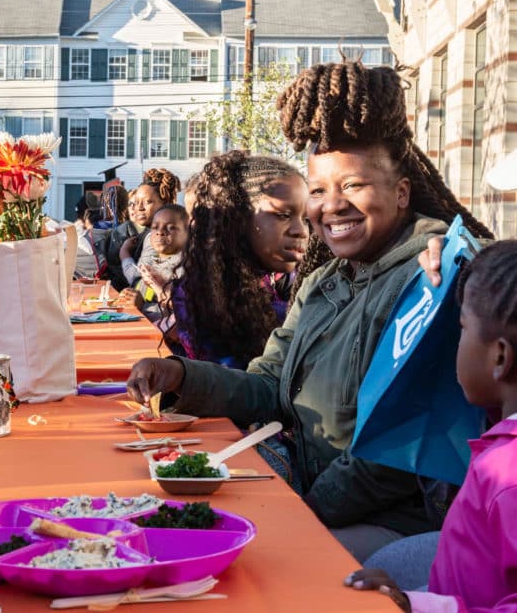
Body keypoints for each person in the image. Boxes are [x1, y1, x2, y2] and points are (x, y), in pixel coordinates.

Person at [126, 61, 494, 562]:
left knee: (247, 564)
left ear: (401, 191)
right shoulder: (323, 282)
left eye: (354, 186)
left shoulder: (435, 274)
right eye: (318, 190)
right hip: (300, 480)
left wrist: (299, 507)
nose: (330, 206)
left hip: (385, 523)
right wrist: (179, 376)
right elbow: (269, 386)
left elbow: (391, 454)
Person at [346, 240, 517, 612]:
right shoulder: (501, 438)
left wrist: (421, 608)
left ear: (500, 357)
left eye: (461, 327)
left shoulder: (509, 477)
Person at [164, 152, 308, 367]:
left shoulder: (300, 281)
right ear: (237, 217)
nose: (301, 231)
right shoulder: (204, 293)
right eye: (283, 215)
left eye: (306, 218)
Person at [104, 168, 179, 290]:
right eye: (136, 202)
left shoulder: (159, 236)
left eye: (147, 202)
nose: (139, 208)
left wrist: (125, 253)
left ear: (165, 202)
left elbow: (139, 280)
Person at [130, 205, 188, 322]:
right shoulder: (152, 264)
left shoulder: (183, 269)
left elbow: (177, 318)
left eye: (171, 228)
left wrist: (142, 307)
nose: (160, 232)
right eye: (155, 227)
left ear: (188, 232)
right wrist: (131, 296)